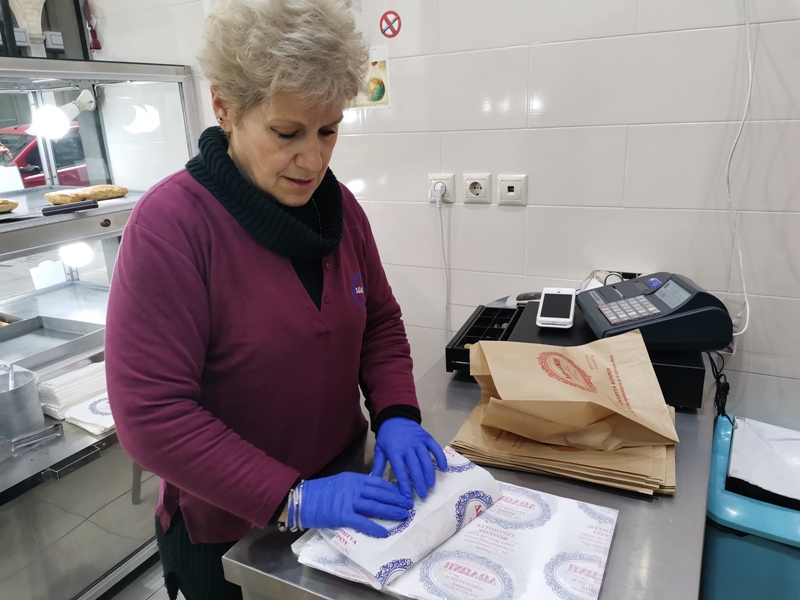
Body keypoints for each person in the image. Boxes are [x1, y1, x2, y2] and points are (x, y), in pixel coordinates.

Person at [104, 1, 447, 599]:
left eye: (328, 130)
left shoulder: (338, 210)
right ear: (225, 107)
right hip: (229, 533)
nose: (313, 160)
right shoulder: (172, 225)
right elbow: (152, 414)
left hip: (346, 496)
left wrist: (396, 412)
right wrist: (291, 496)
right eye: (287, 134)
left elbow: (379, 324)